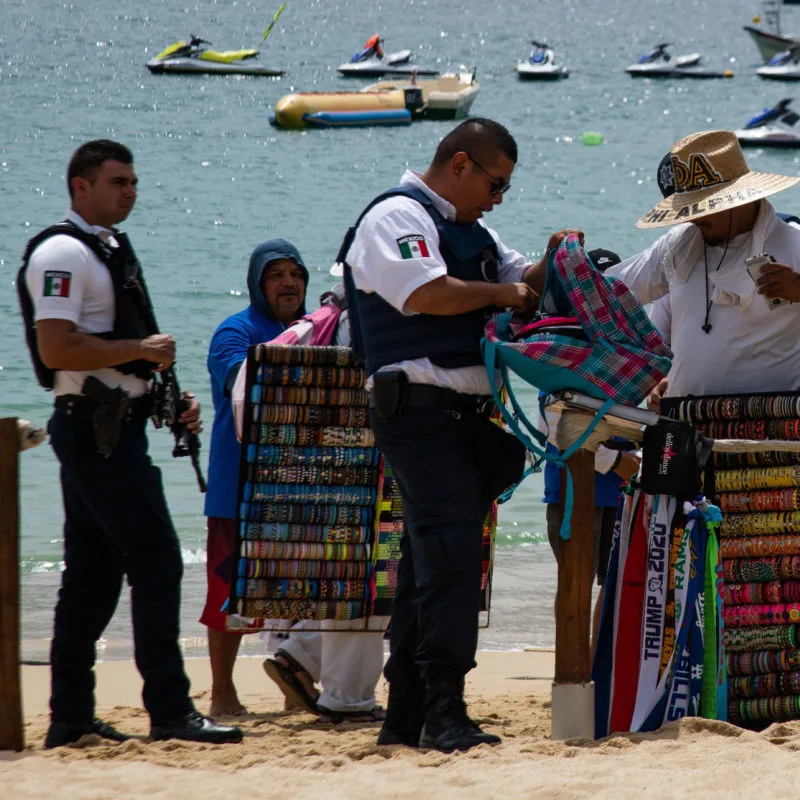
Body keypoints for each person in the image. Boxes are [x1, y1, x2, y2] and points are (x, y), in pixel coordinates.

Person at [341, 117, 581, 752]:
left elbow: (523, 282)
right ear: (461, 164)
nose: (499, 198)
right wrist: (507, 292)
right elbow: (428, 293)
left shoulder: (474, 231)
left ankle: (406, 713)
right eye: (496, 183)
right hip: (417, 412)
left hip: (462, 419)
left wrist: (557, 263)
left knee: (427, 567)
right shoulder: (396, 218)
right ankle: (445, 708)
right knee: (450, 560)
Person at [18, 139, 242, 748]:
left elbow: (114, 352)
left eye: (134, 181)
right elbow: (57, 348)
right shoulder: (64, 251)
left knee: (91, 576)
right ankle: (169, 710)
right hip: (96, 432)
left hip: (113, 426)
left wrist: (167, 398)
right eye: (118, 182)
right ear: (79, 187)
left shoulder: (106, 248)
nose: (130, 192)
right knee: (156, 560)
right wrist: (139, 352)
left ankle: (69, 717)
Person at [203, 240, 385, 722]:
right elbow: (248, 384)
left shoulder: (321, 331)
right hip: (238, 487)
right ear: (257, 284)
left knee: (304, 585)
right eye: (276, 275)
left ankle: (294, 684)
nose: (288, 283)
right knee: (227, 593)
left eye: (295, 274)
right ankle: (222, 692)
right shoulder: (235, 332)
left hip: (303, 483)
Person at [600, 129, 800, 403]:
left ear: (741, 198)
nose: (694, 218)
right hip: (685, 424)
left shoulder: (794, 245)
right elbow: (608, 294)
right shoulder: (677, 246)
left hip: (770, 427)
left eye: (703, 208)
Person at [540, 249, 640, 656]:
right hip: (573, 492)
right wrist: (617, 461)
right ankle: (574, 659)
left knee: (613, 581)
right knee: (575, 579)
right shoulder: (563, 352)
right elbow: (557, 430)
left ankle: (600, 656)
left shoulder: (622, 355)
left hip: (618, 492)